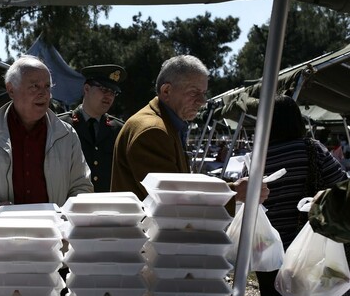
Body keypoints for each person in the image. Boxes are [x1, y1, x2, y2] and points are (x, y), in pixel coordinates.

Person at [0, 55, 93, 246]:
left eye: (47, 86)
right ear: (11, 89)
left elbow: (81, 187)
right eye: (34, 86)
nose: (43, 93)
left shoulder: (66, 135)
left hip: (52, 243)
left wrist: (65, 220)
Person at [110, 54, 268, 208]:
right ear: (166, 91)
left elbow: (179, 186)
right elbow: (172, 199)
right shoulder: (153, 131)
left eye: (204, 93)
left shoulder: (162, 124)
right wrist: (234, 192)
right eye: (194, 93)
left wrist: (233, 189)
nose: (202, 101)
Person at [247, 95, 348, 296]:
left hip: (267, 249)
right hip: (310, 249)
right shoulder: (313, 149)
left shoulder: (257, 157)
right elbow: (340, 185)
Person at [58, 64, 126, 192]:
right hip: (71, 204)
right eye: (104, 89)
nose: (109, 96)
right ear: (87, 89)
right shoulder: (61, 125)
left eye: (113, 92)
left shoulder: (119, 129)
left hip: (107, 205)